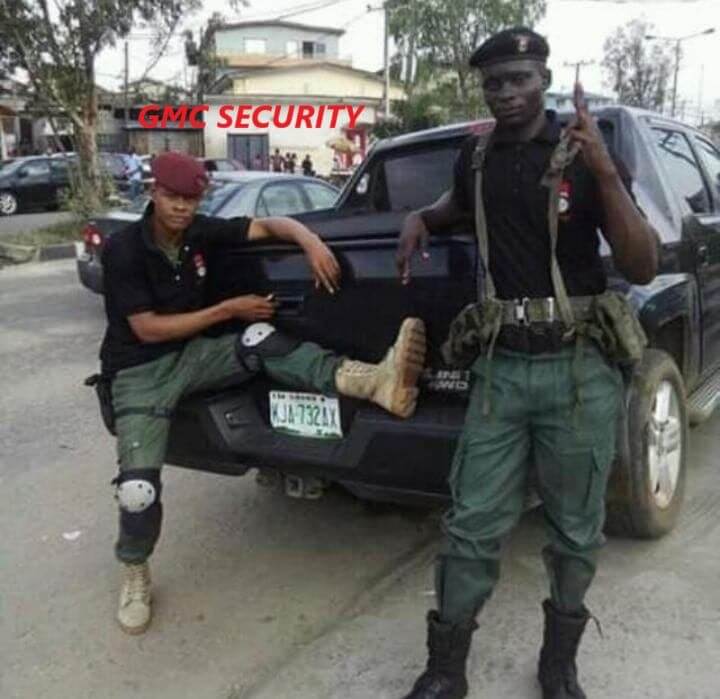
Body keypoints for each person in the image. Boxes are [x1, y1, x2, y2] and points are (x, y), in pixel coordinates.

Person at [394, 28, 659, 699]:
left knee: (575, 531)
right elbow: (461, 204)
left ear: (544, 79)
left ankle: (559, 664)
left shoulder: (582, 154)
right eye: (495, 82)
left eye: (520, 79)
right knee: (471, 524)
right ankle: (445, 669)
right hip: (501, 371)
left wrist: (604, 170)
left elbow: (641, 263)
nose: (508, 93)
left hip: (577, 372)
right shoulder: (477, 156)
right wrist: (422, 216)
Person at [99, 151, 426, 635]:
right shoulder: (124, 249)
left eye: (191, 199)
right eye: (172, 197)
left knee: (259, 338)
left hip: (193, 356)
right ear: (154, 193)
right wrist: (228, 309)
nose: (182, 208)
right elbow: (147, 329)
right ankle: (134, 570)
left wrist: (309, 240)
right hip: (140, 371)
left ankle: (371, 381)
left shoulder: (198, 232)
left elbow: (267, 225)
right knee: (137, 490)